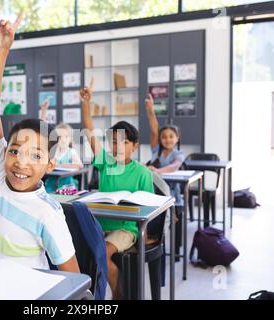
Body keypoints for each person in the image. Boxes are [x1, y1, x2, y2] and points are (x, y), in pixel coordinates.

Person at [0, 15, 80, 273]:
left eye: (36, 156)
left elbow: (73, 280)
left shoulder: (47, 214)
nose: (21, 161)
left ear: (50, 165)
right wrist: (1, 49)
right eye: (15, 150)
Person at [81, 79, 154, 299]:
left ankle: (117, 296)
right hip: (100, 224)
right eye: (113, 142)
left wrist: (145, 236)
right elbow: (88, 131)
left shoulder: (143, 173)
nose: (117, 147)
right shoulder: (106, 162)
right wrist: (86, 103)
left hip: (125, 229)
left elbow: (148, 209)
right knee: (83, 251)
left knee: (102, 253)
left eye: (123, 142)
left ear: (134, 145)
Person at [145, 93, 184, 204]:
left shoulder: (178, 153)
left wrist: (157, 171)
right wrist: (151, 110)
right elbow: (154, 130)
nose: (167, 139)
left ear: (177, 138)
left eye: (171, 136)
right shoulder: (156, 150)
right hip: (154, 191)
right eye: (164, 137)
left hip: (171, 193)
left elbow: (174, 166)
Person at [40, 99, 84, 193]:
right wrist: (44, 111)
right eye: (60, 137)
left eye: (66, 137)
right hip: (52, 183)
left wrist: (61, 165)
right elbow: (44, 131)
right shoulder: (54, 151)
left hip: (67, 185)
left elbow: (79, 165)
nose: (63, 140)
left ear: (70, 139)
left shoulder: (71, 152)